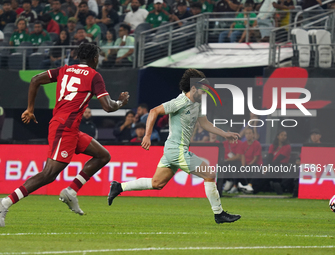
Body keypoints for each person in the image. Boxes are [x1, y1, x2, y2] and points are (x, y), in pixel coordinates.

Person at [0, 43, 130, 227]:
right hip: (65, 128)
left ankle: (71, 191)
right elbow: (108, 106)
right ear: (94, 58)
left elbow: (35, 79)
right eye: (98, 57)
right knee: (48, 174)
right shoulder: (94, 76)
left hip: (69, 127)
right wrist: (121, 102)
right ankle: (4, 203)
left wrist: (30, 109)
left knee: (103, 156)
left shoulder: (65, 70)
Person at [108, 70, 241, 224]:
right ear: (193, 89)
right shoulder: (180, 102)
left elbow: (205, 124)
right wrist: (147, 135)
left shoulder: (197, 104)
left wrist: (225, 134)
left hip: (172, 150)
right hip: (176, 150)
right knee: (209, 174)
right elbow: (154, 111)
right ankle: (219, 214)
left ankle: (119, 187)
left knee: (156, 184)